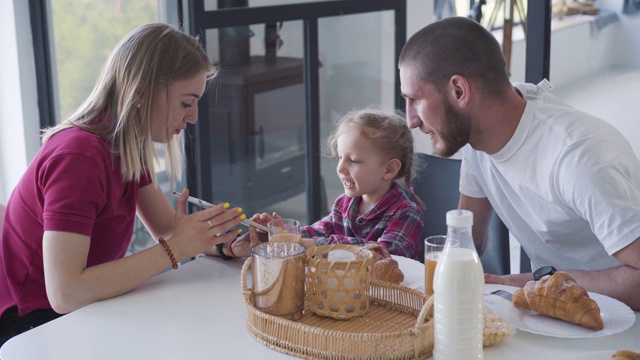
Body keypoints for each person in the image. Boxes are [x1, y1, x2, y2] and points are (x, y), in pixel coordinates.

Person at [0, 23, 246, 346]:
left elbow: (167, 229)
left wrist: (226, 244)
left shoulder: (125, 146)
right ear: (141, 92)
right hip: (29, 325)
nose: (194, 117)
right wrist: (176, 249)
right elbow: (65, 292)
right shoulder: (80, 157)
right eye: (187, 103)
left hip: (78, 313)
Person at [398, 16, 640, 310]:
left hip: (620, 325)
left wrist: (532, 281)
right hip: (553, 312)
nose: (410, 120)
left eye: (416, 100)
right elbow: (467, 239)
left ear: (459, 91)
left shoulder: (578, 157)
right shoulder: (480, 135)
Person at [211, 108, 426, 260]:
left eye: (353, 161)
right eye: (340, 157)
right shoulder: (344, 204)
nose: (340, 169)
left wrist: (321, 245)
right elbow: (318, 232)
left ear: (389, 169)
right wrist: (282, 234)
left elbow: (385, 254)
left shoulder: (407, 213)